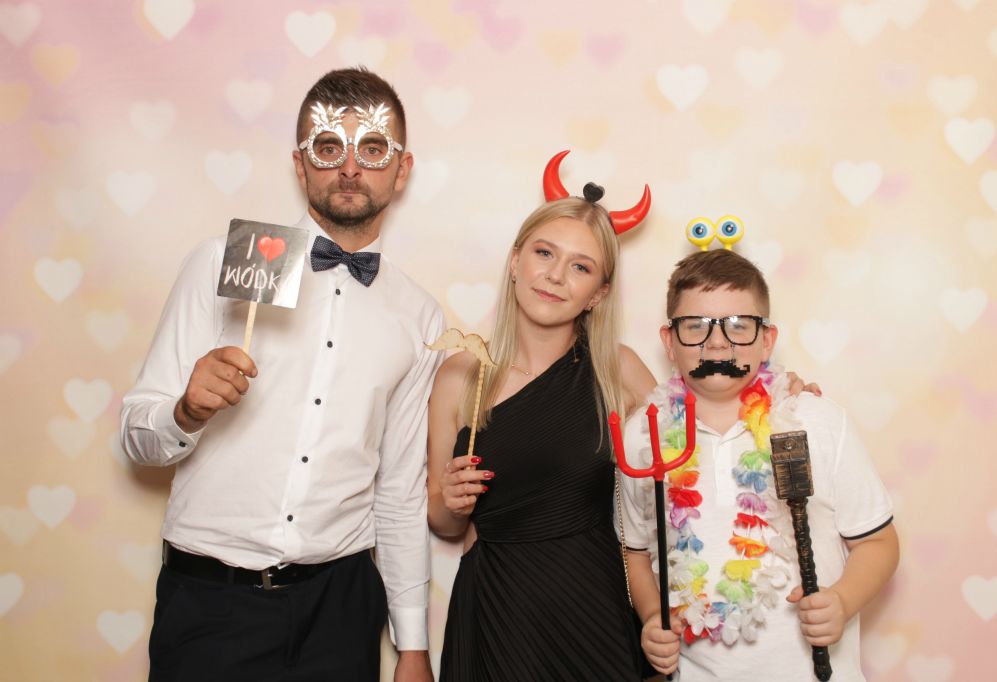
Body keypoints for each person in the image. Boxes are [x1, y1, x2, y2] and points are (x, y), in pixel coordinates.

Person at [120, 67, 440, 682]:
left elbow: (399, 489)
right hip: (210, 605)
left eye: (373, 149)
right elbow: (137, 436)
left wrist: (413, 644)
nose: (350, 167)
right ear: (300, 165)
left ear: (401, 170)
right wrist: (184, 411)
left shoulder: (419, 315)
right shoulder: (221, 261)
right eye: (329, 147)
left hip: (341, 610)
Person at [620, 248, 899, 681]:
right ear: (669, 341)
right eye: (695, 325)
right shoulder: (643, 436)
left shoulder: (815, 421)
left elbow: (879, 542)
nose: (717, 343)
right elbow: (635, 552)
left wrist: (843, 601)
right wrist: (654, 615)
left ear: (766, 340)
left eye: (738, 325)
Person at [427, 184, 657, 680]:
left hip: (590, 609)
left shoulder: (618, 371)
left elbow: (688, 468)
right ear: (515, 262)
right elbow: (443, 523)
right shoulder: (460, 376)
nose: (555, 275)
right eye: (544, 253)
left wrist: (777, 396)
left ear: (599, 293)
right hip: (495, 611)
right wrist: (452, 501)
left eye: (581, 267)